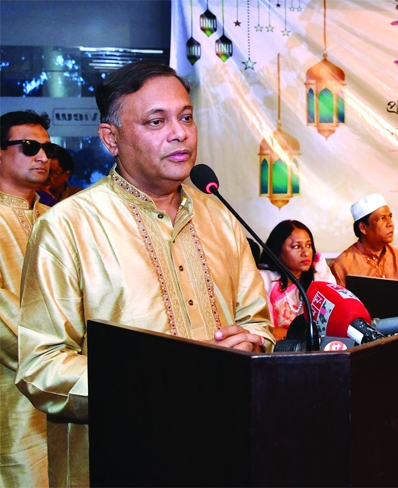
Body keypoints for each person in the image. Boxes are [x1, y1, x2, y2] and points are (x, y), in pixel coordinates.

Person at [15, 61, 274, 487]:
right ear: (110, 139)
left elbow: (258, 324)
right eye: (157, 121)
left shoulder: (221, 217)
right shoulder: (67, 227)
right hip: (120, 458)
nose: (180, 133)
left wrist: (256, 342)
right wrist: (145, 386)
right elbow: (41, 366)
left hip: (222, 448)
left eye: (186, 117)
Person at [0, 110, 51, 486]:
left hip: (76, 387)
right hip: (12, 389)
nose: (43, 157)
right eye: (30, 147)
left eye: (47, 149)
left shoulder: (59, 218)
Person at [259, 220, 336, 339]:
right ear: (278, 251)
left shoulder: (318, 273)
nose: (306, 253)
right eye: (296, 246)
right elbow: (265, 330)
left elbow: (333, 318)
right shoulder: (265, 279)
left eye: (308, 245)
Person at [331, 193, 398, 287]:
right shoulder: (342, 266)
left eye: (390, 217)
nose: (390, 223)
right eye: (382, 218)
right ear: (363, 228)